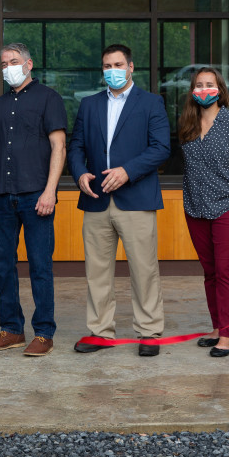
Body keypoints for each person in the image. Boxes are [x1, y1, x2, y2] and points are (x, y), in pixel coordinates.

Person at [68, 44, 171, 357]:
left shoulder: (151, 102)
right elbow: (75, 147)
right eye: (106, 65)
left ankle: (150, 332)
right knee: (97, 272)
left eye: (117, 64)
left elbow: (161, 147)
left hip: (136, 198)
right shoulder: (88, 105)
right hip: (96, 199)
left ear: (130, 67)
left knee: (144, 269)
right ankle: (100, 332)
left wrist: (127, 171)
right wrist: (80, 173)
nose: (111, 70)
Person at [0, 43, 67, 357]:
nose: (8, 67)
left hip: (36, 196)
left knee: (40, 266)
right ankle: (11, 330)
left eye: (14, 61)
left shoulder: (49, 99)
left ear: (29, 64)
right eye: (4, 63)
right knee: (3, 266)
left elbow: (59, 147)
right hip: (2, 197)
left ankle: (44, 333)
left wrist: (50, 191)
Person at [178, 67, 229, 358]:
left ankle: (227, 335)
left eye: (209, 84)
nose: (204, 89)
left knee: (226, 271)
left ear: (220, 90)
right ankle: (216, 326)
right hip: (196, 207)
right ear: (192, 91)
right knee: (210, 271)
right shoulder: (187, 124)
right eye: (198, 85)